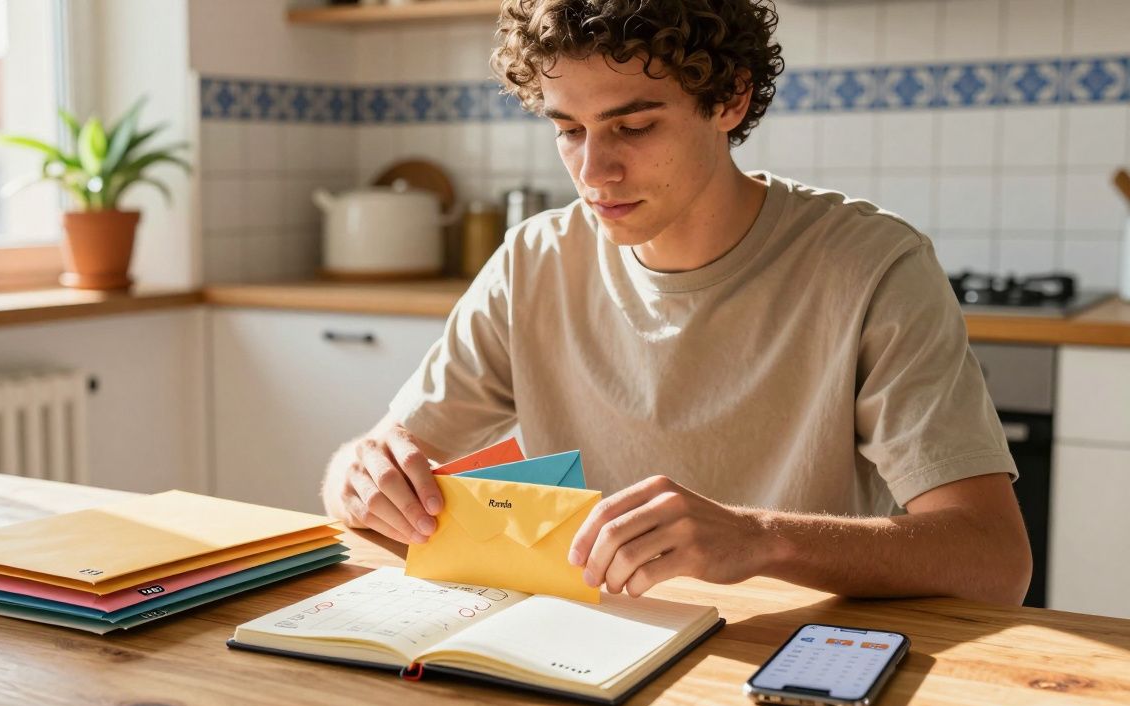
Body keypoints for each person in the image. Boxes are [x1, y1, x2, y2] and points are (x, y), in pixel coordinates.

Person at [321, 0, 1032, 605]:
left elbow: (995, 560)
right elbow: (374, 473)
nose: (593, 171)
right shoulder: (534, 261)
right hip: (588, 652)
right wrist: (357, 475)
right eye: (569, 130)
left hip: (794, 662)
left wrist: (760, 539)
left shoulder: (872, 267)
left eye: (634, 127)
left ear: (730, 101)